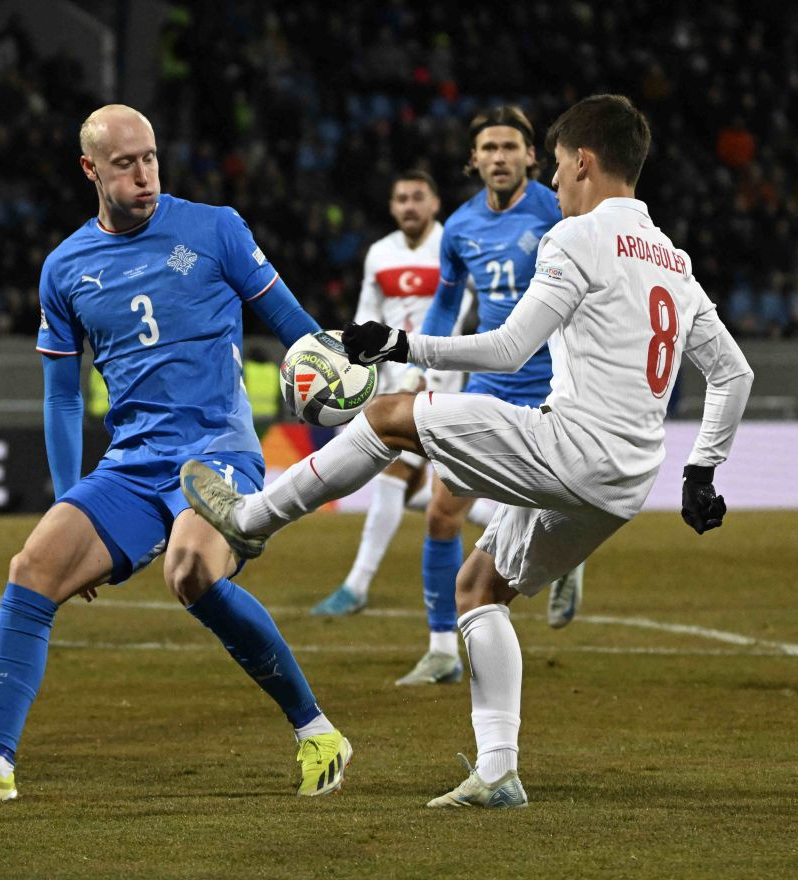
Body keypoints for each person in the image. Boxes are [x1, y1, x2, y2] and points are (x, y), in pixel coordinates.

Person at [181, 94, 753, 808]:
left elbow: (511, 349)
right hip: (629, 480)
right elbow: (733, 371)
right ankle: (498, 771)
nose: (551, 186)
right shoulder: (673, 257)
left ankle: (252, 519)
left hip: (571, 445)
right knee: (479, 590)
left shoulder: (575, 238)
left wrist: (401, 343)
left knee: (391, 415)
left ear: (582, 161)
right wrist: (702, 469)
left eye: (557, 171)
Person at [0, 105, 351, 806]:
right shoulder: (64, 269)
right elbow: (61, 399)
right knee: (32, 567)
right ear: (90, 169)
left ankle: (318, 731)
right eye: (125, 163)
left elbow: (298, 331)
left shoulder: (216, 229)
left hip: (218, 451)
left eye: (150, 157)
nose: (144, 174)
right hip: (133, 461)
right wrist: (68, 498)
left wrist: (340, 372)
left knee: (189, 574)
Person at [387, 107, 588, 689]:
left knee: (556, 504)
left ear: (532, 157)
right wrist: (421, 362)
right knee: (441, 512)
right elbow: (447, 305)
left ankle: (566, 560)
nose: (499, 157)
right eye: (488, 148)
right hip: (490, 385)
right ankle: (442, 648)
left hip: (554, 385)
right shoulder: (460, 227)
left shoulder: (559, 211)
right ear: (473, 160)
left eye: (510, 146)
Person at [311, 170, 497, 621]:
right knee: (429, 492)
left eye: (418, 197)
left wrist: (427, 367)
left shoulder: (454, 247)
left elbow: (472, 309)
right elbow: (366, 315)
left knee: (394, 480)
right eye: (401, 198)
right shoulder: (379, 254)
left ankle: (356, 586)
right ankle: (516, 526)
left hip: (442, 380)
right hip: (394, 384)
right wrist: (353, 367)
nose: (409, 205)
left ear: (435, 203)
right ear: (392, 207)